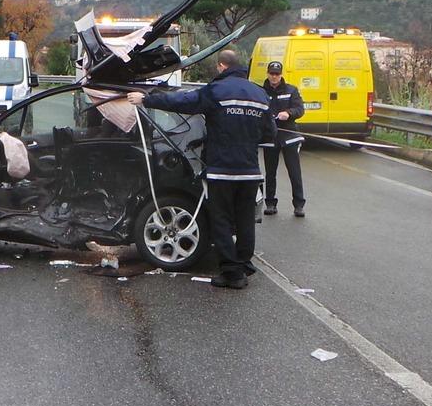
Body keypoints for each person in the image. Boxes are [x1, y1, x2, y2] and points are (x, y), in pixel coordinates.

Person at [128, 49, 271, 289]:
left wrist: (146, 99)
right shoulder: (260, 94)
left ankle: (232, 274)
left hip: (222, 171)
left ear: (221, 67)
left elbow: (183, 102)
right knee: (245, 220)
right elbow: (270, 133)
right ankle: (243, 264)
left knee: (222, 220)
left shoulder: (216, 91)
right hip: (249, 171)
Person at [259, 61, 307, 217]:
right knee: (270, 172)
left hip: (289, 135)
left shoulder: (291, 90)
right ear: (267, 74)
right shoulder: (260, 91)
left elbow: (300, 109)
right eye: (272, 74)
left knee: (294, 172)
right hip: (270, 137)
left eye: (277, 74)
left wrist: (289, 112)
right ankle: (270, 203)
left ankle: (299, 205)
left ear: (281, 75)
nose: (274, 77)